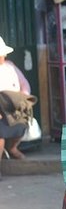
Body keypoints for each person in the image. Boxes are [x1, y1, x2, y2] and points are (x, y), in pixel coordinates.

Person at [0, 36, 31, 167]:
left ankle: (13, 148)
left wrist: (21, 100)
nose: (2, 58)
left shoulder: (10, 66)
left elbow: (25, 85)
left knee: (22, 124)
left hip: (13, 107)